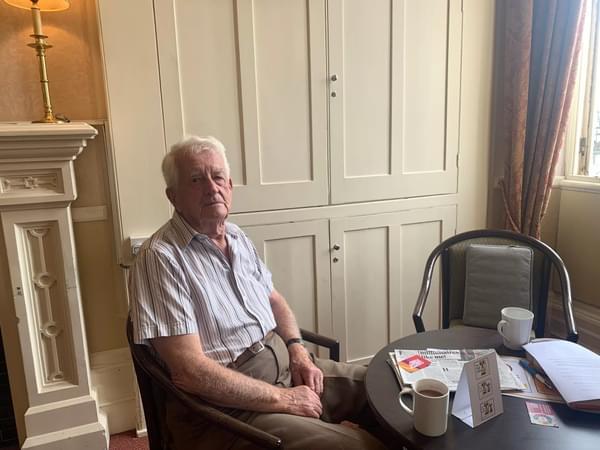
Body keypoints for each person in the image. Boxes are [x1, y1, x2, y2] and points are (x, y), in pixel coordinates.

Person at [129, 136, 388, 450]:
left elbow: (274, 300)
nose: (211, 188)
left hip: (281, 364)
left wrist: (297, 350)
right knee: (362, 447)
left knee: (388, 390)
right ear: (173, 196)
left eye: (218, 177)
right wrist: (285, 399)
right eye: (196, 180)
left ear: (230, 186)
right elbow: (190, 371)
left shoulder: (236, 237)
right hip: (224, 408)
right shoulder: (160, 257)